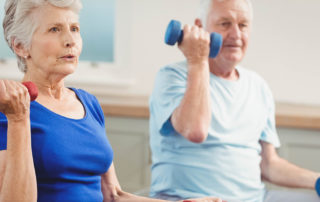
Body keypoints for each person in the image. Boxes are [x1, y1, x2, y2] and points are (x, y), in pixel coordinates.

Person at [0, 0, 223, 202]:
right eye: (54, 29)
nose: (70, 40)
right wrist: (19, 119)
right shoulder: (9, 110)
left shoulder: (88, 103)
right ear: (20, 46)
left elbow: (113, 195)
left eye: (75, 29)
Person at [149, 0, 320, 202]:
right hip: (188, 198)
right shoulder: (171, 76)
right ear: (200, 27)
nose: (236, 34)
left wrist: (316, 180)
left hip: (256, 198)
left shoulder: (258, 86)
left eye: (243, 25)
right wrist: (197, 59)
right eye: (225, 23)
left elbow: (269, 165)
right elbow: (195, 130)